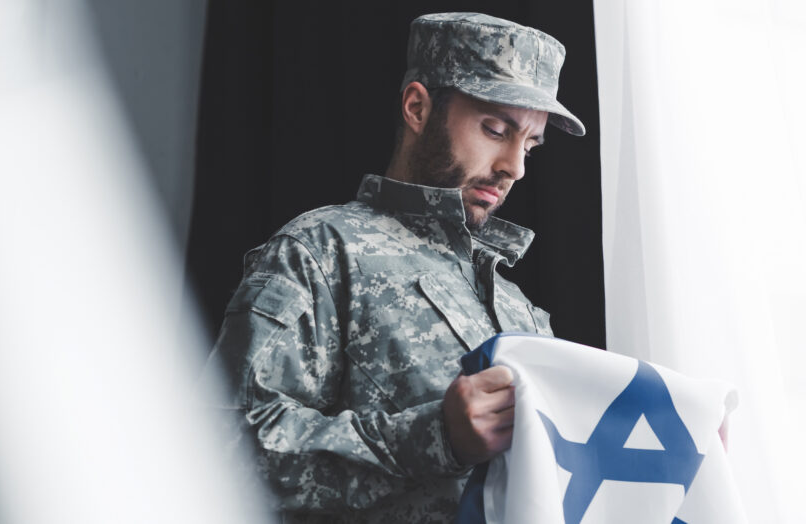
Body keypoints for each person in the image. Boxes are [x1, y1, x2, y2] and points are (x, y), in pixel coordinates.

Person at [205, 12, 586, 523]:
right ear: (417, 107)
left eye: (530, 145)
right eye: (496, 129)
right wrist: (436, 438)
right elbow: (223, 451)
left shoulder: (523, 312)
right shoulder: (321, 251)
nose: (514, 166)